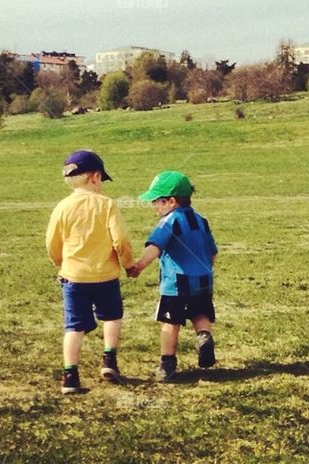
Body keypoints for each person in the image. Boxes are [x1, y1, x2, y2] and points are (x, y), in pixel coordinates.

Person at [45, 149, 134, 394]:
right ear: (95, 177)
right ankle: (109, 360)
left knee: (73, 326)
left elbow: (52, 243)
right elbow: (121, 240)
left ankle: (70, 376)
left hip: (73, 277)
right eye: (101, 180)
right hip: (105, 275)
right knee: (112, 316)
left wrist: (60, 264)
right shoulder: (106, 205)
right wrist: (127, 264)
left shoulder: (62, 207)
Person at [128, 170, 218, 381]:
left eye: (156, 201)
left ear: (171, 201)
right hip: (203, 280)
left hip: (176, 283)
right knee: (200, 314)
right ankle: (204, 336)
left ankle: (167, 363)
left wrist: (140, 265)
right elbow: (212, 252)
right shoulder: (201, 220)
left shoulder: (169, 221)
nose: (154, 206)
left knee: (171, 322)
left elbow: (156, 247)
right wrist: (206, 268)